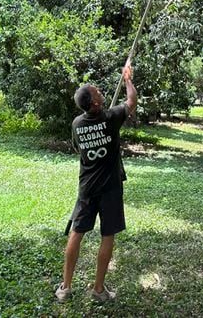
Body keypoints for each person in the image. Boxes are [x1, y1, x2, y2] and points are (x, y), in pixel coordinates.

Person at [55, 61, 137, 303]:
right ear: (96, 103)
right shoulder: (111, 118)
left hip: (87, 189)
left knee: (77, 233)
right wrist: (128, 78)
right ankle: (98, 290)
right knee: (107, 236)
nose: (100, 90)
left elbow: (78, 148)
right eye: (97, 91)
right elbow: (131, 101)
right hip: (110, 188)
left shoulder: (77, 124)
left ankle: (65, 288)